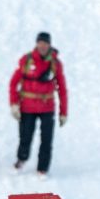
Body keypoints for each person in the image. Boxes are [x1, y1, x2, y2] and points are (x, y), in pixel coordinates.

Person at [9, 31, 68, 177]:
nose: (42, 46)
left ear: (49, 45)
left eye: (45, 43)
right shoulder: (26, 60)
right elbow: (13, 83)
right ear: (36, 44)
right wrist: (14, 104)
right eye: (40, 43)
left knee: (46, 139)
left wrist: (63, 112)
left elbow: (62, 89)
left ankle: (43, 168)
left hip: (47, 107)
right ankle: (21, 159)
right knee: (25, 136)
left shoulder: (55, 64)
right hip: (27, 107)